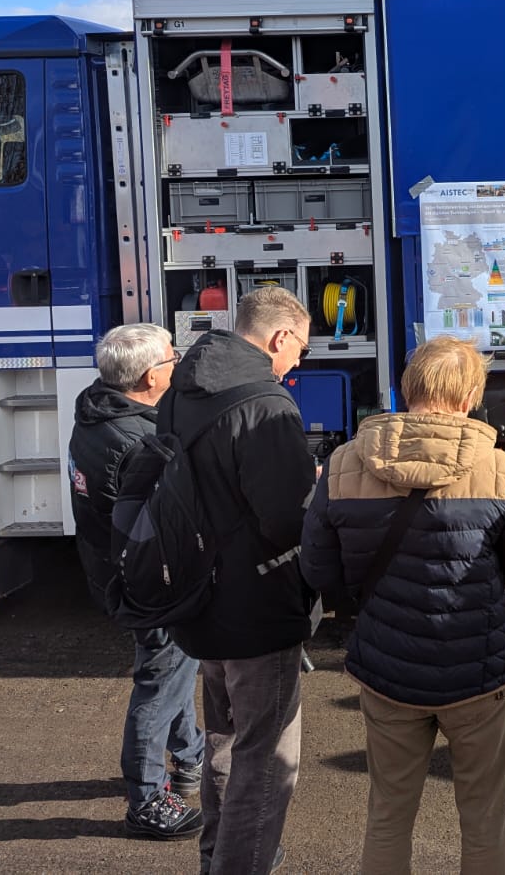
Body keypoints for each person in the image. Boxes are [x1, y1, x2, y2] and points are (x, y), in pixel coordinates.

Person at [300, 337, 505, 875]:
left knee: (388, 817)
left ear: (407, 387)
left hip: (387, 668)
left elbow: (319, 571)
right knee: (485, 820)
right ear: (469, 398)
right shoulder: (498, 469)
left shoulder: (344, 465)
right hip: (480, 671)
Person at [165, 286, 319, 874]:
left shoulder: (181, 389)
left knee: (225, 742)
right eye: (301, 348)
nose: (299, 361)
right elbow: (285, 519)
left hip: (200, 597)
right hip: (258, 605)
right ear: (280, 337)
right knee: (267, 759)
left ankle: (217, 858)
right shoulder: (267, 404)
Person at [68, 322, 202, 840]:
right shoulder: (139, 440)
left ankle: (189, 756)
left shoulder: (94, 412)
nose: (178, 364)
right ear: (150, 376)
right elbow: (167, 526)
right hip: (150, 584)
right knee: (161, 678)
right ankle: (146, 800)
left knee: (175, 667)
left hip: (109, 569)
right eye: (173, 358)